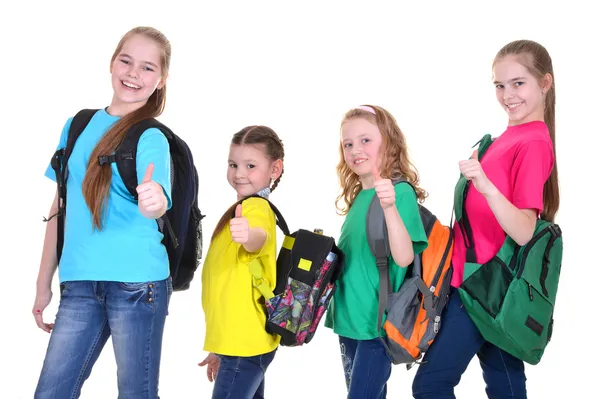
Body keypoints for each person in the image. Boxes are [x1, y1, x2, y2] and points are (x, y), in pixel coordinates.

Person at [412, 39, 559, 399]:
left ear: (545, 83)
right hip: (472, 282)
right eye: (499, 85)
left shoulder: (534, 143)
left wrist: (485, 185)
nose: (507, 95)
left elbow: (524, 231)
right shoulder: (507, 138)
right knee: (505, 385)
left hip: (487, 288)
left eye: (518, 83)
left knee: (430, 385)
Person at [33, 26, 174, 398]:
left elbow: (158, 195)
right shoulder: (77, 124)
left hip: (137, 284)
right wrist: (42, 283)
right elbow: (59, 209)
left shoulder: (151, 137)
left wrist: (154, 200)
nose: (133, 73)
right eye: (126, 61)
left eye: (147, 68)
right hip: (79, 283)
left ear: (161, 80)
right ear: (112, 62)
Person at [324, 105, 429, 398]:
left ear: (389, 142)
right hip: (348, 321)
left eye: (365, 140)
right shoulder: (359, 197)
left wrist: (390, 207)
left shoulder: (400, 192)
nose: (355, 149)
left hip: (377, 326)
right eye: (348, 143)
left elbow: (405, 257)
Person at [199, 125, 285, 399]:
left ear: (275, 169)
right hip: (239, 342)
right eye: (233, 164)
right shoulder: (242, 208)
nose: (239, 173)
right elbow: (229, 286)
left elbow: (258, 237)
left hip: (245, 343)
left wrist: (248, 235)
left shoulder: (256, 209)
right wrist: (219, 347)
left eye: (250, 165)